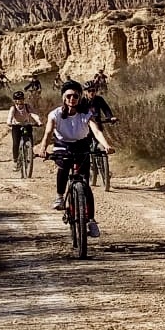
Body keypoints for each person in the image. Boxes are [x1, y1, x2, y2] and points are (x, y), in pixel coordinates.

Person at [37, 80, 114, 238]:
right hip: (62, 145)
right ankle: (59, 197)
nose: (72, 99)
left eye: (76, 96)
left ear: (79, 98)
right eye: (69, 96)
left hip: (81, 145)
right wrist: (43, 148)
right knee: (64, 166)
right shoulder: (55, 114)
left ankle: (91, 220)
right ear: (64, 98)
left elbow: (97, 131)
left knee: (85, 184)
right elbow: (48, 133)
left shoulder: (86, 114)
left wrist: (106, 145)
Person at [6, 90, 41, 168]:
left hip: (26, 124)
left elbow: (33, 114)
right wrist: (9, 122)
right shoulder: (13, 108)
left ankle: (30, 151)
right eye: (18, 99)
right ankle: (15, 160)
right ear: (15, 100)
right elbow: (10, 116)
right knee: (16, 143)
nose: (20, 101)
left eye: (21, 99)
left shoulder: (27, 106)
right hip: (16, 126)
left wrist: (38, 121)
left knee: (30, 138)